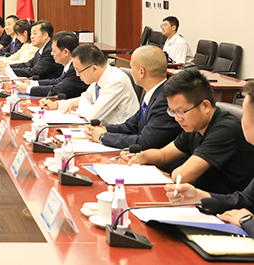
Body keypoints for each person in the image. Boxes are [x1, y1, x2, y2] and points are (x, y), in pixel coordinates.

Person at [123, 69, 254, 194]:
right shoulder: (195, 125)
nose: (177, 118)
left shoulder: (225, 130)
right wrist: (140, 157)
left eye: (181, 111)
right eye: (172, 111)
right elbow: (163, 155)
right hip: (201, 199)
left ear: (205, 106)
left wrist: (165, 173)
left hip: (225, 204)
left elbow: (182, 176)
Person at [165, 81, 254, 234]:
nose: (240, 120)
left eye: (244, 115)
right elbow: (245, 200)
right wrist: (198, 196)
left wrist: (247, 221)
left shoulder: (227, 128)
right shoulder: (195, 128)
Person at [85, 45, 182, 150]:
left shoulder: (166, 100)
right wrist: (104, 129)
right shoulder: (151, 93)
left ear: (141, 72)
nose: (131, 71)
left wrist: (103, 137)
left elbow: (145, 142)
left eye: (132, 67)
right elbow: (131, 126)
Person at [42, 44, 138, 125]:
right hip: (104, 130)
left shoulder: (116, 81)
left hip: (120, 135)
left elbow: (93, 115)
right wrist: (56, 105)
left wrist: (80, 103)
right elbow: (85, 98)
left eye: (79, 70)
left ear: (94, 69)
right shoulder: (99, 78)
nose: (77, 74)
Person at [18, 31, 87, 100]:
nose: (51, 53)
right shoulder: (69, 65)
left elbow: (58, 89)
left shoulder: (76, 68)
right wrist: (31, 83)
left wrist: (28, 89)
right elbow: (57, 81)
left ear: (65, 52)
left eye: (54, 51)